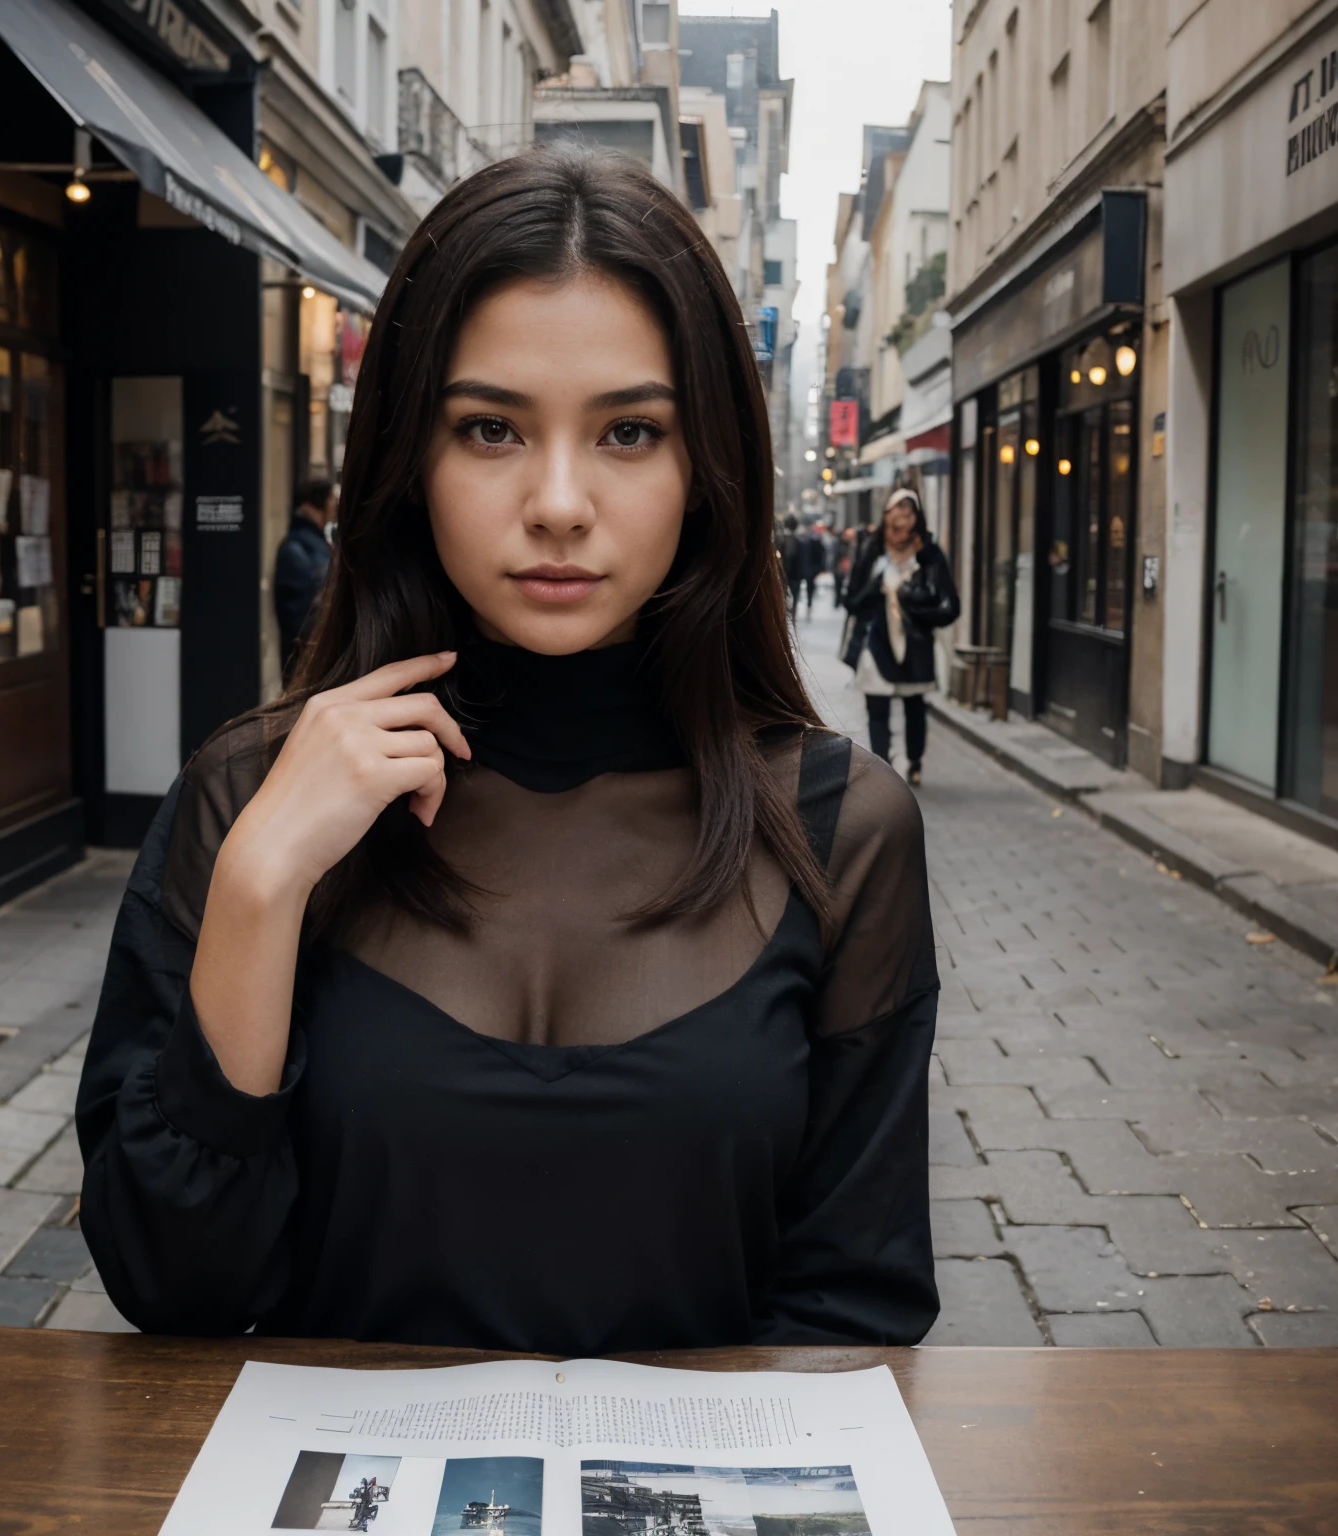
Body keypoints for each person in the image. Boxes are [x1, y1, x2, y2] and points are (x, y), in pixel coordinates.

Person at [76, 145, 939, 1355]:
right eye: (490, 428)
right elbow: (170, 1288)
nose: (560, 501)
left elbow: (857, 1312)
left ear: (708, 470)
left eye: (630, 432)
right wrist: (262, 887)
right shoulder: (251, 799)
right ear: (408, 460)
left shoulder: (843, 831)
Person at [842, 488, 959, 786]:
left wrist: (915, 602)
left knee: (914, 707)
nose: (901, 524)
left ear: (916, 520)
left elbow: (950, 606)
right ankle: (883, 768)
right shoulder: (872, 550)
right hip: (875, 642)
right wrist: (876, 587)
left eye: (908, 516)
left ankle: (915, 762)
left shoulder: (929, 555)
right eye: (896, 516)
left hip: (915, 642)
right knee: (877, 708)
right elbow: (852, 601)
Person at [274, 478, 337, 680]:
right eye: (331, 499)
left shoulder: (311, 544)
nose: (334, 505)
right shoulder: (298, 547)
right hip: (309, 660)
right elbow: (303, 615)